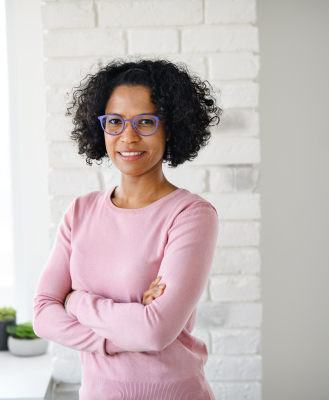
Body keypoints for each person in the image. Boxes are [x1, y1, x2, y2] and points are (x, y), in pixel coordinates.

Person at [33, 58, 222, 400]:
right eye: (115, 122)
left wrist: (75, 301)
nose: (128, 136)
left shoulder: (191, 214)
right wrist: (128, 328)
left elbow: (155, 332)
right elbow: (43, 314)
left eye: (146, 121)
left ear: (171, 128)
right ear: (100, 127)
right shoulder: (80, 211)